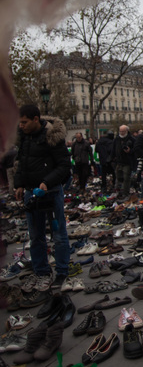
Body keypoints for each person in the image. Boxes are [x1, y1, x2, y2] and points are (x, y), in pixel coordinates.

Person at [13, 104, 72, 290]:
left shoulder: (52, 136)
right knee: (35, 235)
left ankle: (62, 272)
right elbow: (21, 163)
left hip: (51, 191)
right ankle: (41, 272)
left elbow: (64, 166)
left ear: (35, 120)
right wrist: (20, 184)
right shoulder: (24, 138)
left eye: (24, 122)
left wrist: (47, 181)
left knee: (59, 234)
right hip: (31, 191)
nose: (21, 126)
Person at [112, 124, 135, 196]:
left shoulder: (132, 139)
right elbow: (113, 148)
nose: (121, 133)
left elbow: (136, 149)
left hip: (127, 161)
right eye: (120, 131)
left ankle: (125, 192)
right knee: (118, 176)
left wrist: (130, 151)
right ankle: (122, 189)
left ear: (127, 131)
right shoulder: (117, 139)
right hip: (119, 161)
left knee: (126, 177)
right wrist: (113, 157)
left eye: (123, 131)